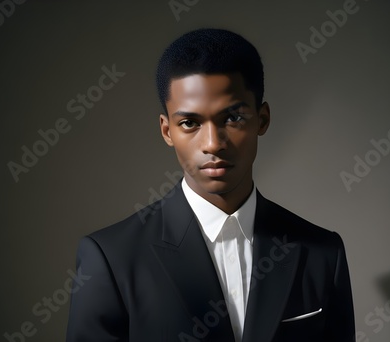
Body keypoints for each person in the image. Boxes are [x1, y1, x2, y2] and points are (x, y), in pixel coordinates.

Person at [66, 28, 355, 342]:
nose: (213, 143)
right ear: (167, 131)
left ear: (263, 119)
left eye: (232, 118)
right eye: (190, 123)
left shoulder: (322, 253)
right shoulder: (111, 258)